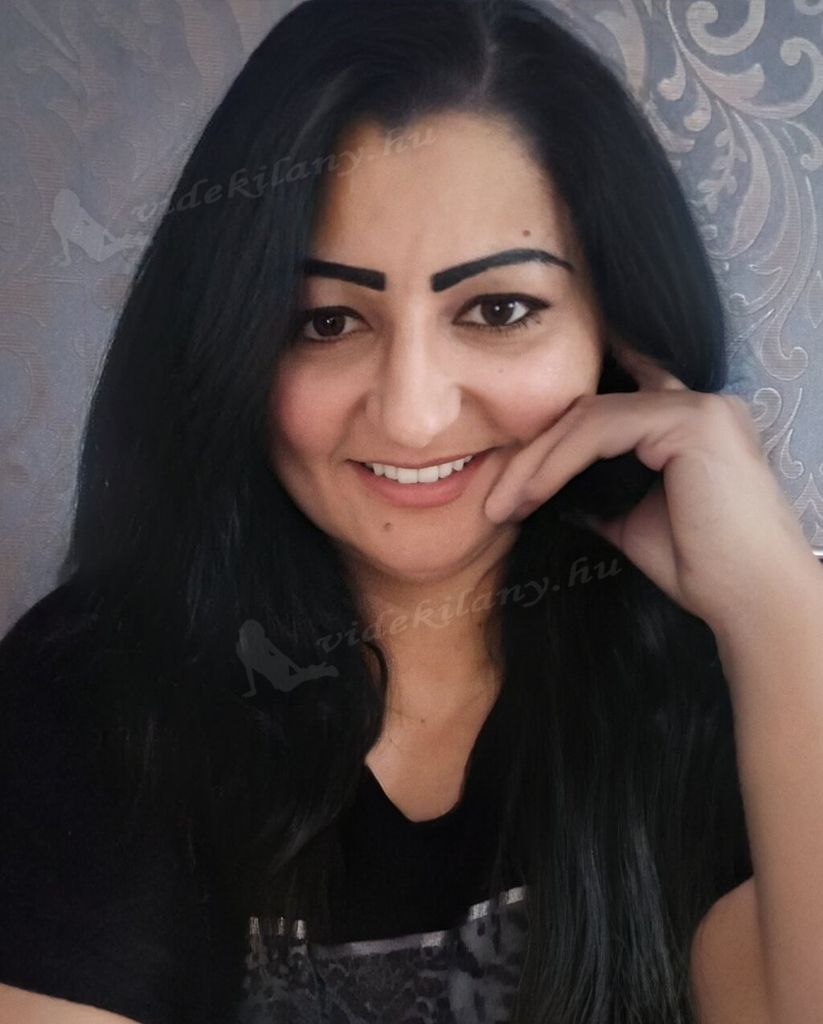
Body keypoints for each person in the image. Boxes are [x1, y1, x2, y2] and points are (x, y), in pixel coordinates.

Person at [2, 0, 822, 1021]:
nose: (412, 412)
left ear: (613, 331)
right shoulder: (93, 694)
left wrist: (777, 608)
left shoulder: (726, 677)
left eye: (497, 309)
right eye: (327, 321)